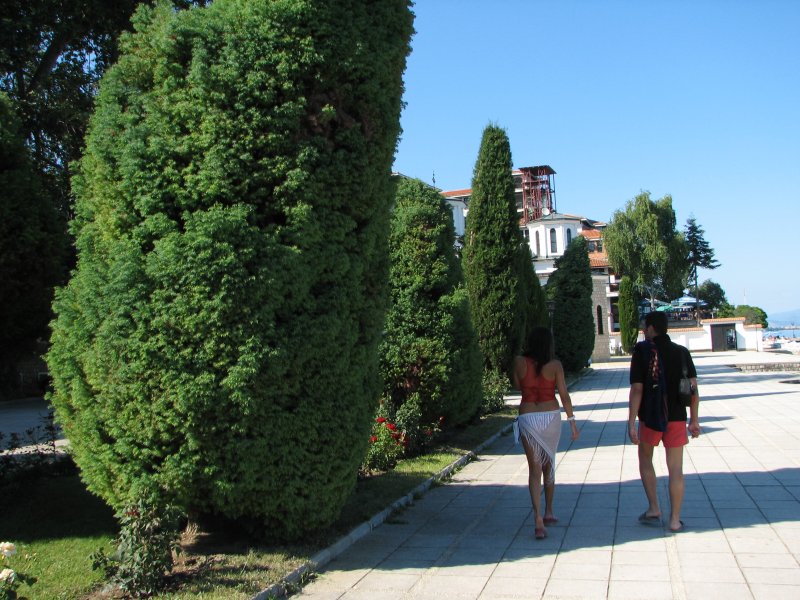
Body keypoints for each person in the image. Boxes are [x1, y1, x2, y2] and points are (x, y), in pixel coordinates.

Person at [628, 311, 700, 533]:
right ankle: (675, 520)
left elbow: (637, 389)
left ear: (651, 328)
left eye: (645, 327)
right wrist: (694, 420)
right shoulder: (681, 352)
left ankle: (653, 508)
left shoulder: (642, 352)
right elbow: (693, 388)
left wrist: (631, 421)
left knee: (645, 458)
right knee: (676, 468)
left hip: (651, 416)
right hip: (677, 416)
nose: (643, 330)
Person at [512, 326, 579, 540]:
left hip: (528, 416)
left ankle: (538, 518)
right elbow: (564, 395)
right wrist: (572, 422)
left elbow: (517, 385)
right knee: (549, 462)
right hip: (550, 416)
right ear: (549, 344)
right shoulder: (555, 365)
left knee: (534, 469)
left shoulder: (519, 362)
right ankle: (549, 511)